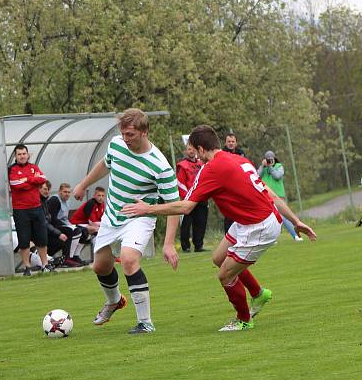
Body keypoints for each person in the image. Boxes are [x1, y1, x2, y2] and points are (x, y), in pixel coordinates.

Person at [123, 124, 317, 332]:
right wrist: (295, 221)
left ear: (201, 149)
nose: (195, 157)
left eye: (194, 151)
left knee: (225, 275)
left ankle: (243, 320)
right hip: (249, 221)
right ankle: (259, 294)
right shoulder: (239, 159)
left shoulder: (212, 169)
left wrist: (148, 208)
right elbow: (269, 192)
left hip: (258, 226)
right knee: (218, 259)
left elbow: (186, 207)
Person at [73, 108, 180, 334]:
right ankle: (114, 301)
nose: (125, 139)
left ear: (144, 132)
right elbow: (105, 164)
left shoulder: (160, 166)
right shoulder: (116, 144)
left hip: (140, 218)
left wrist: (169, 243)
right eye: (123, 133)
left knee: (129, 260)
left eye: (130, 134)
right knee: (100, 267)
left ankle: (145, 322)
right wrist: (83, 185)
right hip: (112, 216)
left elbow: (174, 207)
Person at [8, 144, 53, 275]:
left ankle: (45, 264)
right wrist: (33, 182)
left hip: (36, 208)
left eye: (24, 154)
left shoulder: (33, 167)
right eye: (19, 154)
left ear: (28, 154)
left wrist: (27, 180)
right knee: (23, 239)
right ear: (15, 156)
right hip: (20, 210)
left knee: (41, 237)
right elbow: (16, 184)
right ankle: (27, 267)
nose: (22, 156)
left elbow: (42, 179)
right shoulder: (12, 169)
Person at [258, 150, 302, 241]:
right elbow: (256, 176)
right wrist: (262, 166)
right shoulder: (263, 169)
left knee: (283, 217)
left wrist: (270, 167)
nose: (269, 161)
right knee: (270, 219)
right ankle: (271, 239)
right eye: (267, 159)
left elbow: (277, 176)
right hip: (266, 196)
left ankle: (295, 235)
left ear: (274, 159)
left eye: (271, 159)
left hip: (279, 197)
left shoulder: (279, 166)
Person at [176, 144, 208, 252]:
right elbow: (180, 183)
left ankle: (199, 245)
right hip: (188, 199)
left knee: (200, 222)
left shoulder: (201, 164)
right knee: (186, 223)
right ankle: (186, 246)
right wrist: (186, 197)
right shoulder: (182, 165)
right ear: (186, 151)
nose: (191, 151)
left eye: (193, 149)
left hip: (201, 197)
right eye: (189, 149)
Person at [46, 183, 87, 267]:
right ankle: (67, 258)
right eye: (65, 192)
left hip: (64, 224)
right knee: (74, 231)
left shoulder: (68, 201)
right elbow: (52, 219)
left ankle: (75, 256)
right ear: (59, 192)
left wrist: (70, 225)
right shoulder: (55, 200)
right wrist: (69, 226)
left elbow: (65, 218)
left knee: (85, 231)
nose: (67, 194)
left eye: (69, 192)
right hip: (54, 225)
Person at [70, 186, 107, 260]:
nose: (101, 198)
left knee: (99, 231)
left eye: (102, 196)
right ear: (94, 195)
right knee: (95, 230)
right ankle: (73, 256)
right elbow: (92, 222)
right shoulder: (91, 203)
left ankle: (98, 256)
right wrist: (104, 225)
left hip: (86, 223)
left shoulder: (102, 205)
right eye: (99, 195)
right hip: (77, 222)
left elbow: (101, 219)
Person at [220, 132, 247, 233]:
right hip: (227, 186)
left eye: (233, 141)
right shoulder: (222, 153)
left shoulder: (241, 153)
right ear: (225, 143)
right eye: (229, 141)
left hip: (240, 185)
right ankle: (228, 236)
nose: (231, 143)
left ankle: (242, 235)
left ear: (236, 143)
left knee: (241, 210)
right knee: (229, 212)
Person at [40, 180, 70, 267]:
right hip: (41, 232)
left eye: (48, 189)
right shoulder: (53, 200)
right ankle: (56, 260)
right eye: (45, 189)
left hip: (47, 231)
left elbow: (47, 221)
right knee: (69, 232)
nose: (47, 191)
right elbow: (47, 221)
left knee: (75, 231)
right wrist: (58, 233)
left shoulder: (45, 202)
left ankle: (67, 258)